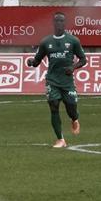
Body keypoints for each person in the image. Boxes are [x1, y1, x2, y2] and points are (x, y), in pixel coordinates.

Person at [26, 12, 86, 148]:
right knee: (54, 106)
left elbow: (83, 59)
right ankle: (60, 139)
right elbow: (37, 60)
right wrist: (31, 62)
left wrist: (73, 67)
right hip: (52, 80)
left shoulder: (73, 41)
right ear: (53, 23)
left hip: (67, 82)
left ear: (65, 24)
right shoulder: (46, 42)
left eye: (62, 21)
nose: (59, 23)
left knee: (71, 108)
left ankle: (74, 118)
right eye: (57, 21)